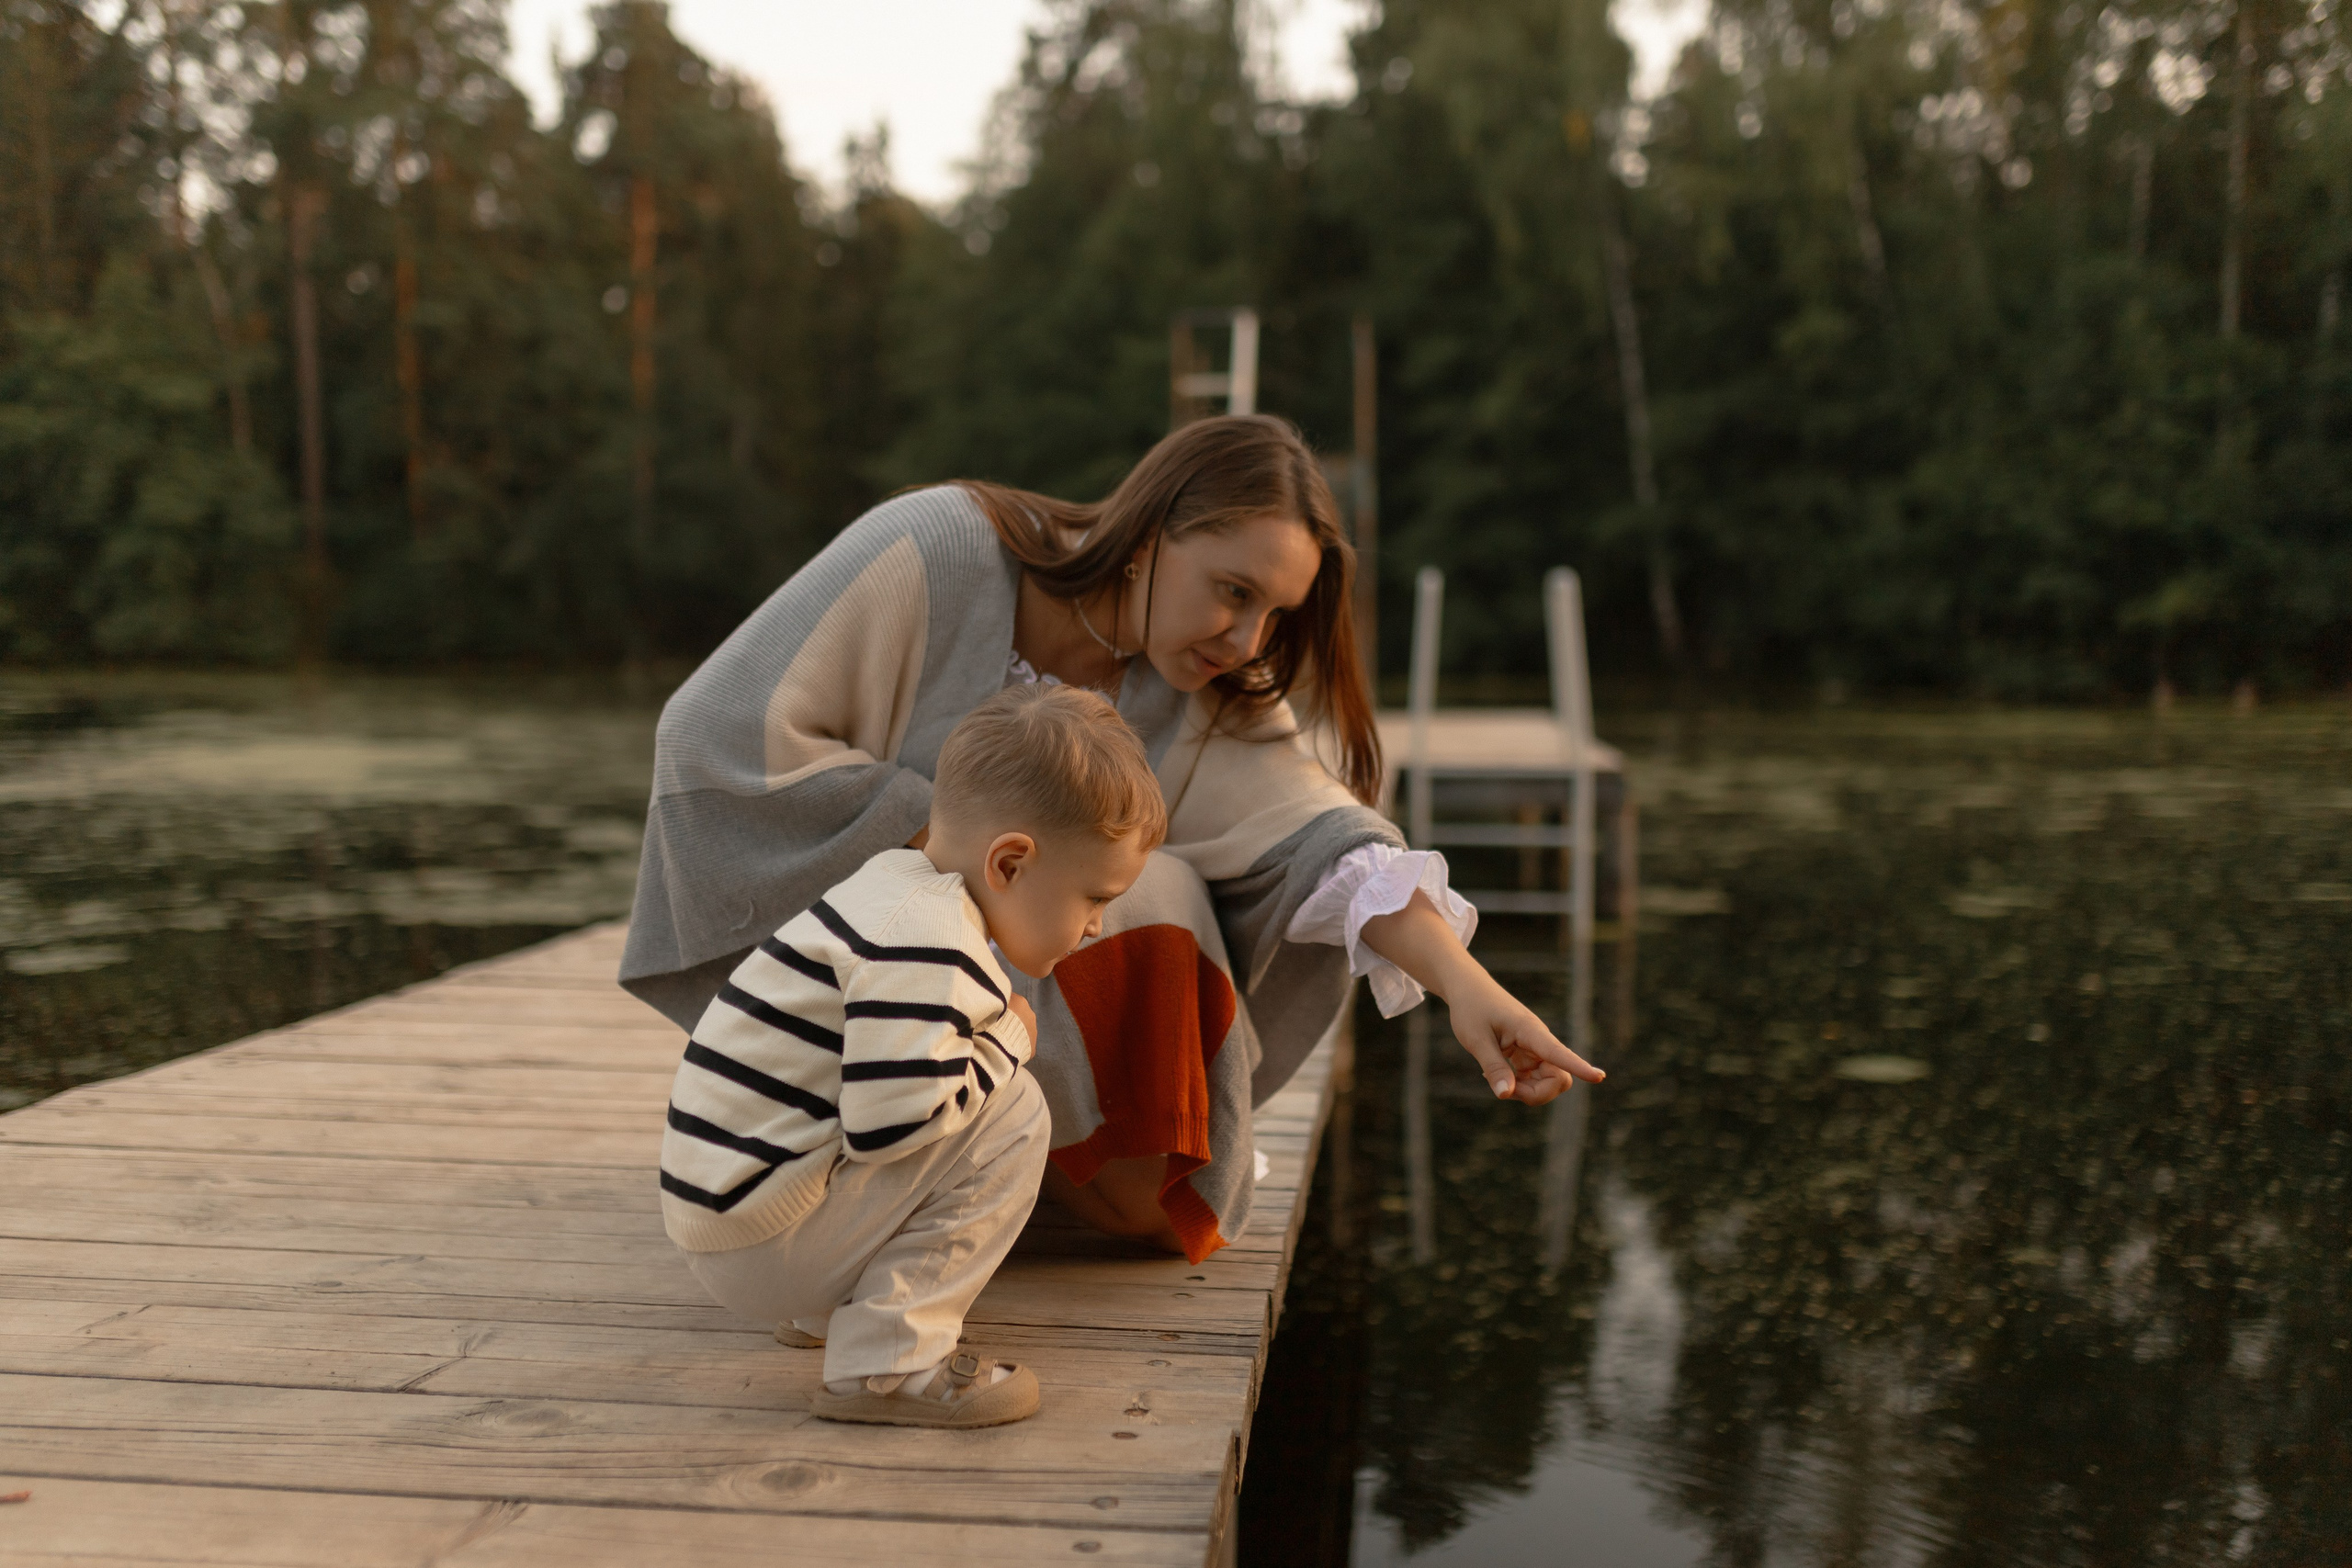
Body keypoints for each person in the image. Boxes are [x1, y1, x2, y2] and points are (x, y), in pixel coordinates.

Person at [623, 413, 1601, 1265]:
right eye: (1231, 590)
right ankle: (901, 1147)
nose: (1249, 641)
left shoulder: (1196, 692)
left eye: (1274, 615)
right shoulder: (942, 547)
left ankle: (1046, 1166)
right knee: (1113, 872)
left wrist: (1468, 989)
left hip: (990, 1020)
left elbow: (1322, 844)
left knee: (1159, 886)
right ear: (1149, 532)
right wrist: (967, 855)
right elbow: (717, 731)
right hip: (862, 985)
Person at [659, 682, 1165, 1428]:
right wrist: (1007, 1044)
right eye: (1093, 896)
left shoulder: (893, 887)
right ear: (1011, 863)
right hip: (764, 1240)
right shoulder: (930, 940)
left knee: (968, 1089)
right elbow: (889, 1129)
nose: (1093, 927)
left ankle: (834, 1312)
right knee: (1013, 1108)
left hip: (734, 1218)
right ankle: (886, 1364)